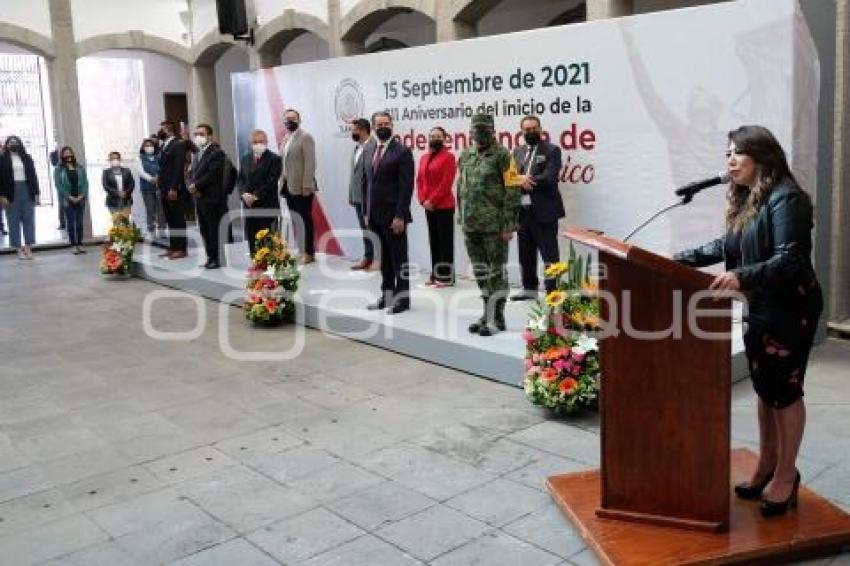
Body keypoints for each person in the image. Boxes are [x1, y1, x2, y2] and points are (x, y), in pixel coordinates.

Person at [674, 125, 823, 518]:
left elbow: (791, 259)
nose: (729, 161)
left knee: (785, 390)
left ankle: (787, 474)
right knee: (765, 387)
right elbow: (727, 246)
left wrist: (742, 277)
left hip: (791, 307)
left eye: (736, 153)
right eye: (727, 154)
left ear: (762, 155)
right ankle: (767, 464)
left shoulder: (788, 199)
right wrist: (677, 260)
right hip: (759, 304)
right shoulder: (749, 199)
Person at [458, 113, 521, 336]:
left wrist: (509, 224)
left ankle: (498, 319)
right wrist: (461, 216)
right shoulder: (466, 154)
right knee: (481, 272)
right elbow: (461, 187)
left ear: (492, 131)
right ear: (471, 131)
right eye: (476, 130)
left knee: (496, 273)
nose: (480, 135)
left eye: (484, 130)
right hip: (471, 224)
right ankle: (486, 313)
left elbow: (513, 190)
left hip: (494, 226)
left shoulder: (503, 155)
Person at [362, 111, 414, 314]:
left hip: (394, 216)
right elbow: (367, 183)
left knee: (399, 258)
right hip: (375, 215)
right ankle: (387, 295)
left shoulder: (402, 151)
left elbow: (406, 187)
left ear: (392, 125)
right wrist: (366, 211)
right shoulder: (372, 149)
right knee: (383, 258)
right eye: (379, 124)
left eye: (386, 123)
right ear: (374, 127)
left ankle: (403, 300)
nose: (383, 126)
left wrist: (400, 215)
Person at [510, 115, 565, 300]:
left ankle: (553, 292)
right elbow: (509, 177)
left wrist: (525, 180)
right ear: (522, 132)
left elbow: (550, 177)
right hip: (522, 212)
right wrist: (518, 179)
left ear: (541, 129)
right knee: (525, 253)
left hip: (545, 212)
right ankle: (529, 289)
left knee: (549, 254)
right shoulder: (517, 151)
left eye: (534, 128)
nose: (530, 132)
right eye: (527, 129)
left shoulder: (552, 150)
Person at [417, 126, 457, 287]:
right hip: (428, 206)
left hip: (444, 206)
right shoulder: (424, 157)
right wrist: (422, 200)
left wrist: (432, 201)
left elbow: (446, 183)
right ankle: (435, 275)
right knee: (434, 241)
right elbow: (419, 181)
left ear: (445, 138)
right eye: (432, 136)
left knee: (445, 242)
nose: (435, 138)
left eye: (438, 136)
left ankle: (447, 277)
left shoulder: (449, 157)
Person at [279, 109, 317, 264]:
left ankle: (309, 252)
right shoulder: (286, 138)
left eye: (293, 118)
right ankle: (301, 250)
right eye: (287, 119)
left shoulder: (305, 137)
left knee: (305, 219)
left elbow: (310, 163)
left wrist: (307, 185)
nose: (290, 121)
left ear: (299, 120)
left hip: (302, 187)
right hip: (288, 186)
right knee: (296, 220)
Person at [188, 123, 226, 269]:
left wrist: (196, 186)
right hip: (199, 198)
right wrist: (192, 186)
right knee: (204, 229)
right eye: (196, 134)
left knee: (213, 229)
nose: (198, 137)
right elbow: (192, 173)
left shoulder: (216, 152)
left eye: (201, 134)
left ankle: (216, 258)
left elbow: (212, 174)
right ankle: (209, 257)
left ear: (210, 136)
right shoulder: (197, 154)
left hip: (212, 198)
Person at [239, 129, 282, 257]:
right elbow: (240, 179)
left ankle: (270, 267)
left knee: (268, 241)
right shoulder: (245, 158)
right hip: (249, 207)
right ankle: (255, 266)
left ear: (266, 142)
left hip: (267, 206)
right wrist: (243, 194)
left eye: (261, 141)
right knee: (253, 239)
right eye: (255, 142)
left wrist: (255, 196)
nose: (258, 144)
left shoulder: (274, 159)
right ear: (250, 143)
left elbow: (271, 182)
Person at [0, 136, 40, 259]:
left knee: (29, 219)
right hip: (11, 192)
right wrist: (2, 195)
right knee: (13, 220)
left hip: (27, 189)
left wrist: (37, 193)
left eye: (16, 142)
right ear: (6, 145)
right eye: (11, 142)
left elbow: (33, 175)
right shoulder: (2, 159)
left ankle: (28, 248)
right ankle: (18, 249)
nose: (13, 144)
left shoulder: (27, 158)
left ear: (20, 144)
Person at [348, 118, 377, 271]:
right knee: (364, 229)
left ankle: (377, 259)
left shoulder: (373, 146)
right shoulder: (356, 148)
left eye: (353, 130)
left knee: (372, 229)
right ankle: (368, 256)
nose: (351, 133)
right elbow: (354, 174)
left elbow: (371, 176)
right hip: (357, 196)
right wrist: (351, 194)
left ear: (362, 129)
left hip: (369, 198)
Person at [158, 121, 189, 259]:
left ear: (167, 129)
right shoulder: (164, 145)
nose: (160, 131)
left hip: (173, 188)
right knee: (170, 219)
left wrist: (173, 187)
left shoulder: (178, 144)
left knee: (177, 219)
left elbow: (178, 167)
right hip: (164, 187)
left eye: (162, 129)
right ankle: (173, 246)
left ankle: (181, 248)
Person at [54, 146, 88, 254]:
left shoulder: (79, 167)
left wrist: (81, 195)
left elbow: (85, 183)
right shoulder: (59, 169)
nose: (68, 155)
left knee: (79, 222)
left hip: (80, 198)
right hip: (67, 199)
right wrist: (69, 197)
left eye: (70, 153)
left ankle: (80, 243)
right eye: (65, 153)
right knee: (70, 222)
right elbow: (58, 185)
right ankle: (73, 244)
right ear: (62, 156)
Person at [138, 138, 164, 237]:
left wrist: (158, 177)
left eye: (151, 145)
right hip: (147, 188)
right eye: (147, 146)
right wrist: (151, 179)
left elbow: (162, 169)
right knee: (150, 210)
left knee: (161, 210)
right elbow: (141, 172)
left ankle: (162, 230)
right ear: (143, 148)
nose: (149, 147)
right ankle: (151, 231)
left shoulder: (158, 157)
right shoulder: (139, 158)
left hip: (159, 188)